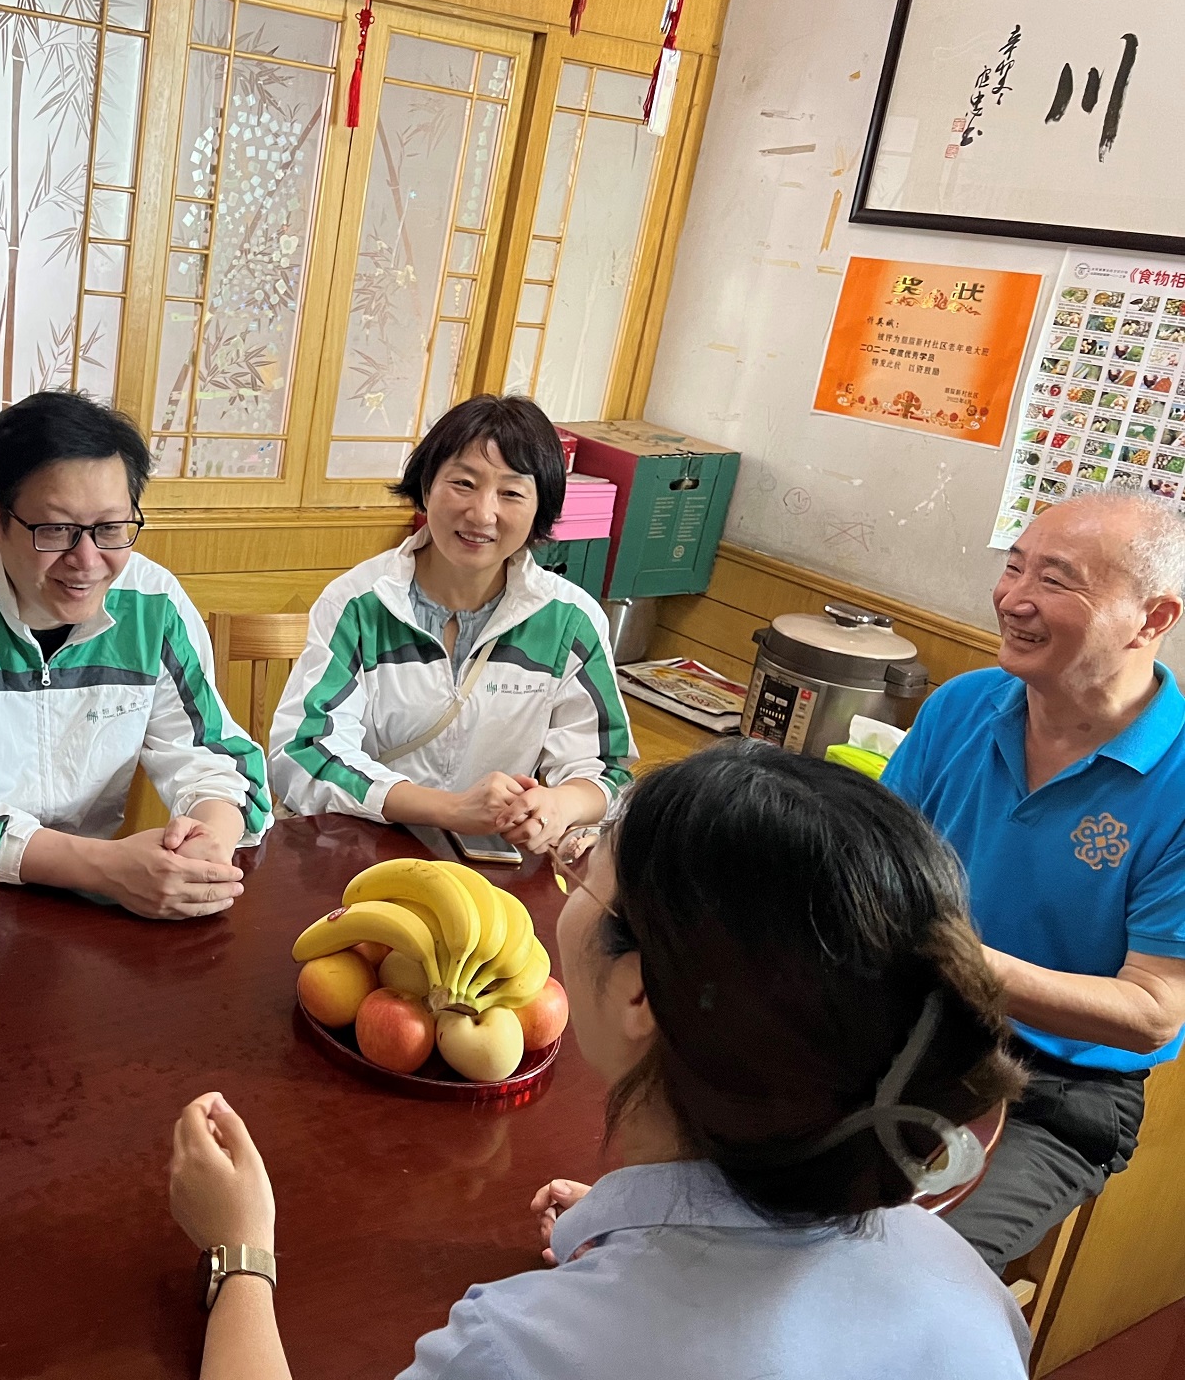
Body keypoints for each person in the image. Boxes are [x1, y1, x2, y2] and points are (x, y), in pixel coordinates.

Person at [167, 743, 1031, 1379]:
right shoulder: (963, 1282)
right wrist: (654, 1224)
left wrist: (238, 1250)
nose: (567, 884)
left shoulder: (522, 1348)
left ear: (640, 992)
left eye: (586, 872)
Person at [882, 488, 1185, 1273]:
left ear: (1154, 618)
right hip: (904, 1025)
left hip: (1056, 1091)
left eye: (1056, 581)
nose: (1015, 600)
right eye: (1014, 567)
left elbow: (1152, 1013)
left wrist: (960, 960)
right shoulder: (964, 705)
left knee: (897, 1275)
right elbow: (869, 859)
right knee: (731, 1172)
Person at [0, 390, 270, 917]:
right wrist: (105, 867)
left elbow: (213, 753)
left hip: (71, 899)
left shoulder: (154, 604)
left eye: (110, 528)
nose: (87, 561)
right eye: (57, 530)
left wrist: (212, 836)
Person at [269, 396, 634, 855]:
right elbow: (306, 754)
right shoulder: (359, 604)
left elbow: (606, 769)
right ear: (426, 488)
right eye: (463, 483)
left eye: (512, 493)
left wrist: (558, 805)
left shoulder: (569, 620)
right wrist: (447, 808)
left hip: (490, 864)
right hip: (352, 852)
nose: (483, 514)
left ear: (541, 509)